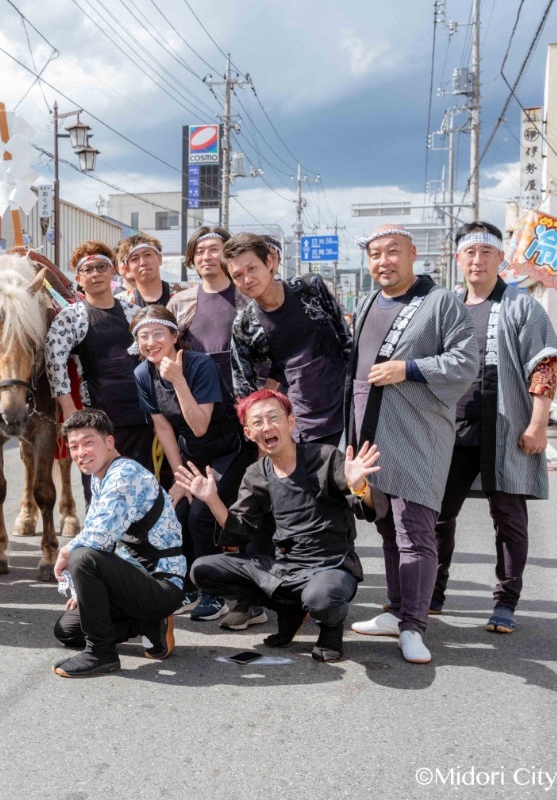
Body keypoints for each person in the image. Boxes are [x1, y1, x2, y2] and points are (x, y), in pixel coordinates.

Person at [346, 225, 478, 665]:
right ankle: (397, 610)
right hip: (370, 425)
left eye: (393, 252)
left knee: (415, 530)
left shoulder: (441, 302)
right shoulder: (365, 302)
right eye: (376, 254)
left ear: (413, 254)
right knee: (385, 524)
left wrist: (409, 367)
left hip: (417, 429)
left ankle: (414, 626)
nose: (384, 261)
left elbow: (465, 360)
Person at [178, 390, 380, 662]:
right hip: (284, 568)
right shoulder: (256, 473)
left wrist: (359, 486)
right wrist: (212, 500)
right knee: (203, 570)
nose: (267, 426)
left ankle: (331, 630)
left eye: (274, 417)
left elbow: (368, 509)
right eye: (258, 422)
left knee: (321, 598)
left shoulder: (326, 457)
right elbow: (240, 529)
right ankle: (290, 608)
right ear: (249, 433)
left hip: (331, 565)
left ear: (291, 422)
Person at [432, 222, 557, 633]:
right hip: (450, 426)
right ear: (458, 259)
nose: (477, 260)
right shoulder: (446, 306)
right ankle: (431, 591)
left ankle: (506, 601)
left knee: (508, 516)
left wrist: (538, 423)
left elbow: (544, 363)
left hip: (504, 426)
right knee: (436, 514)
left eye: (486, 252)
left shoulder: (522, 305)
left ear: (500, 258)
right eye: (469, 252)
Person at [131, 305, 249, 624]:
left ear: (174, 337)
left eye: (158, 333)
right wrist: (180, 478)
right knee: (176, 509)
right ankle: (188, 587)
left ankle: (214, 591)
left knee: (201, 512)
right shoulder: (143, 374)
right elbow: (164, 428)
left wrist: (179, 381)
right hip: (192, 455)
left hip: (228, 449)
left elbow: (199, 425)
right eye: (144, 336)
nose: (151, 341)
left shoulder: (199, 364)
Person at [51, 408, 185, 678]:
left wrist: (65, 552)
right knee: (67, 630)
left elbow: (98, 538)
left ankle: (101, 654)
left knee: (82, 556)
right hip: (132, 580)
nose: (81, 452)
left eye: (89, 442)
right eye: (74, 446)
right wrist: (81, 593)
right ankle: (147, 623)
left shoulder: (124, 475)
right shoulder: (100, 477)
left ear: (109, 443)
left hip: (160, 583)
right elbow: (94, 530)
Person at [227, 232, 352, 445]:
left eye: (251, 268)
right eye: (237, 275)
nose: (247, 279)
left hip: (347, 404)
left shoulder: (310, 288)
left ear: (269, 262)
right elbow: (245, 394)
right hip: (300, 421)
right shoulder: (245, 326)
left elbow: (346, 341)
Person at [46, 242, 148, 489]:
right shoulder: (71, 317)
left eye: (101, 267)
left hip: (139, 416)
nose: (95, 274)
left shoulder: (134, 313)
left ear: (113, 271)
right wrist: (70, 411)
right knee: (101, 488)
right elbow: (54, 362)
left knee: (139, 485)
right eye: (88, 270)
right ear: (79, 279)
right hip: (96, 418)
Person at [166, 226, 245, 388]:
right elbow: (168, 350)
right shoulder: (180, 302)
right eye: (199, 251)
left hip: (245, 395)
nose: (206, 257)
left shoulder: (248, 298)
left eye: (214, 250)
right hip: (196, 391)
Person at [115, 233, 177, 308]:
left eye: (147, 255)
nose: (143, 263)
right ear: (128, 268)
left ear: (159, 258)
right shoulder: (120, 303)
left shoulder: (183, 293)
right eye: (135, 259)